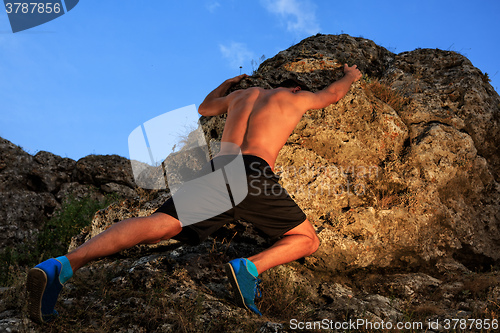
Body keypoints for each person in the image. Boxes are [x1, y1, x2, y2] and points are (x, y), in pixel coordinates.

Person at [27, 64, 362, 322]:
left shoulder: (240, 97)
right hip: (251, 171)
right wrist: (349, 75)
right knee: (307, 239)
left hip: (216, 171)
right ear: (293, 87)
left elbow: (204, 107)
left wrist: (226, 84)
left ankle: (61, 265)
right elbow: (331, 94)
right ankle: (249, 269)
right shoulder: (294, 96)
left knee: (163, 223)